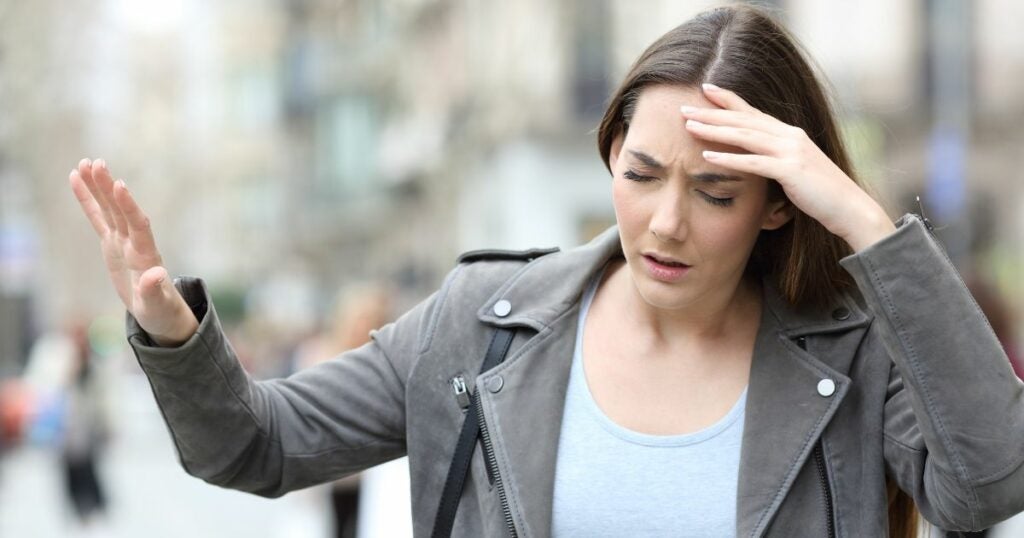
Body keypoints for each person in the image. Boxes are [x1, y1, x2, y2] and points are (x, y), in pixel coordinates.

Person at [67, 4, 1024, 537]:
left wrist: (860, 219)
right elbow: (256, 447)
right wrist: (174, 333)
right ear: (609, 152)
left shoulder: (853, 351)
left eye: (718, 194)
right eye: (639, 172)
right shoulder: (482, 321)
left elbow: (987, 485)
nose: (667, 221)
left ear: (780, 205)